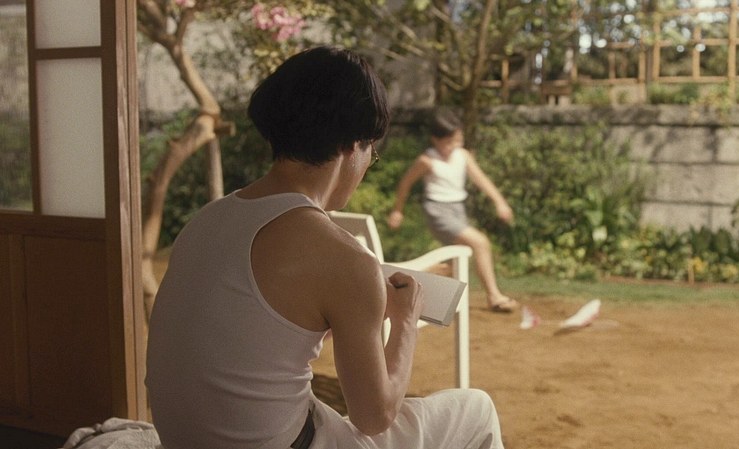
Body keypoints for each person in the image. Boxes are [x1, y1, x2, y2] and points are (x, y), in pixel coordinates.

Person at [145, 46, 504, 449]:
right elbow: (375, 416)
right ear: (354, 145)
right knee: (477, 409)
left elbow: (245, 334)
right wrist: (404, 320)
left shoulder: (206, 221)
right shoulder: (342, 257)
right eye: (372, 152)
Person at [387, 108, 519, 313]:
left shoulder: (462, 155)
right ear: (435, 139)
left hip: (458, 210)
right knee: (480, 243)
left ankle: (405, 281)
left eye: (458, 140)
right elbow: (405, 184)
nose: (454, 146)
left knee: (454, 262)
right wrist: (397, 211)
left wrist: (500, 202)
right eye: (449, 142)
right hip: (438, 212)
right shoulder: (427, 160)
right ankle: (494, 297)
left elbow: (481, 179)